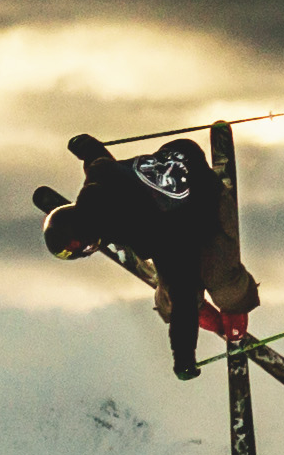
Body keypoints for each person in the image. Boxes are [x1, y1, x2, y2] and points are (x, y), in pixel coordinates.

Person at [42, 130, 258, 376]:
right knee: (171, 297)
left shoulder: (148, 230)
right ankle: (214, 314)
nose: (85, 252)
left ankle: (233, 314)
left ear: (86, 237)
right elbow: (97, 158)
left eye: (78, 249)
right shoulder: (98, 178)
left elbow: (183, 296)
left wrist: (183, 358)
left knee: (218, 281)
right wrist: (83, 145)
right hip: (176, 177)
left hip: (210, 210)